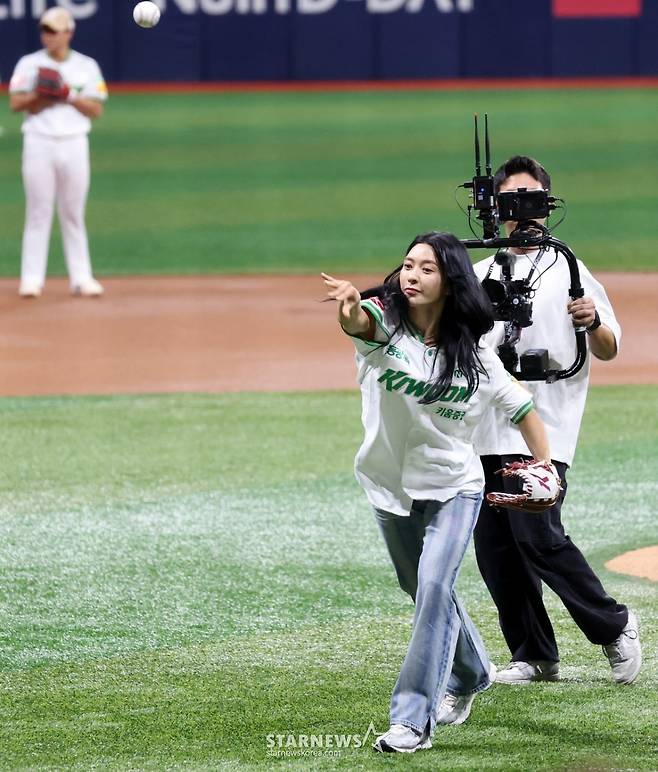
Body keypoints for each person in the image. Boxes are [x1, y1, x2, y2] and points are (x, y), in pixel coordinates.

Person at [322, 231, 558, 754]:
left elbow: (523, 409)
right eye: (408, 265)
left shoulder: (477, 357)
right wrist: (349, 307)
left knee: (433, 588)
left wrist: (546, 469)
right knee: (421, 588)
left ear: (450, 282)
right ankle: (473, 671)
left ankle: (411, 720)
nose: (412, 275)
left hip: (455, 489)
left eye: (426, 268)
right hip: (388, 487)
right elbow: (358, 322)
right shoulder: (384, 327)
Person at [472, 155, 642, 686]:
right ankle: (534, 654)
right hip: (483, 431)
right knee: (497, 548)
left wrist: (591, 321)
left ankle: (614, 625)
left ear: (548, 205)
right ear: (495, 209)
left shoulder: (570, 269)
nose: (523, 214)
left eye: (532, 201)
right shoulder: (479, 273)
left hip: (543, 429)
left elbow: (608, 348)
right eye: (511, 202)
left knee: (538, 534)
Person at [8, 6, 107, 298]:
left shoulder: (87, 66)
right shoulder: (29, 64)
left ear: (68, 33)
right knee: (38, 211)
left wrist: (68, 94)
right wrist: (40, 95)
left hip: (75, 142)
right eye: (45, 30)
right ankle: (31, 279)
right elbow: (15, 103)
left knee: (73, 212)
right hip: (38, 142)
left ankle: (81, 278)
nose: (48, 36)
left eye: (54, 31)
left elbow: (96, 109)